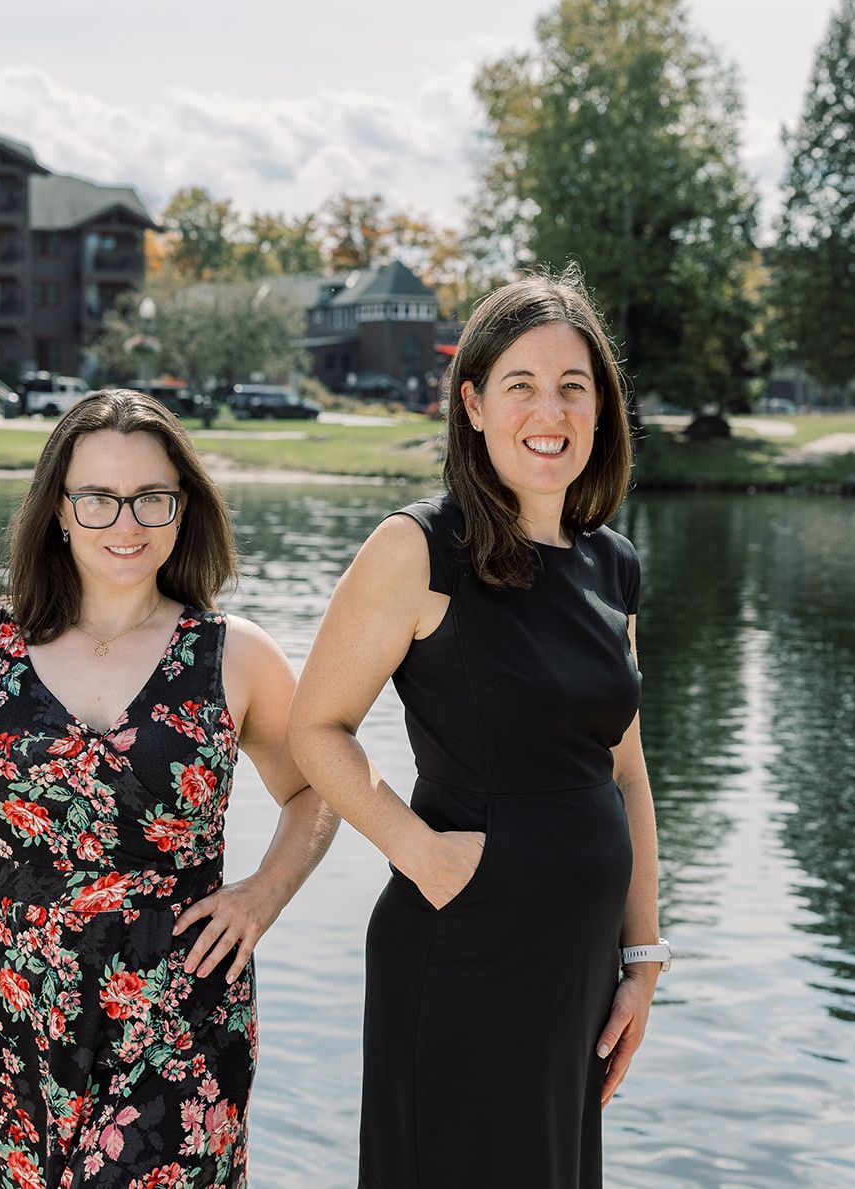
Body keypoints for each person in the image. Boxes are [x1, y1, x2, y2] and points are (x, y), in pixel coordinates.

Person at [0, 390, 335, 1188]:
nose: (125, 523)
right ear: (58, 510)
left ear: (183, 508)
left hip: (181, 1026)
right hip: (11, 1026)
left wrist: (263, 894)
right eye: (98, 498)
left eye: (151, 498)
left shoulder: (230, 655)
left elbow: (319, 788)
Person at [288, 270, 667, 1188]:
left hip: (576, 967)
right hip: (461, 956)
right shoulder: (417, 548)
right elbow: (316, 727)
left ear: (600, 410)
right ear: (473, 404)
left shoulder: (610, 566)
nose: (551, 410)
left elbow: (625, 771)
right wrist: (420, 853)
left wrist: (643, 955)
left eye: (573, 386)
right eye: (521, 385)